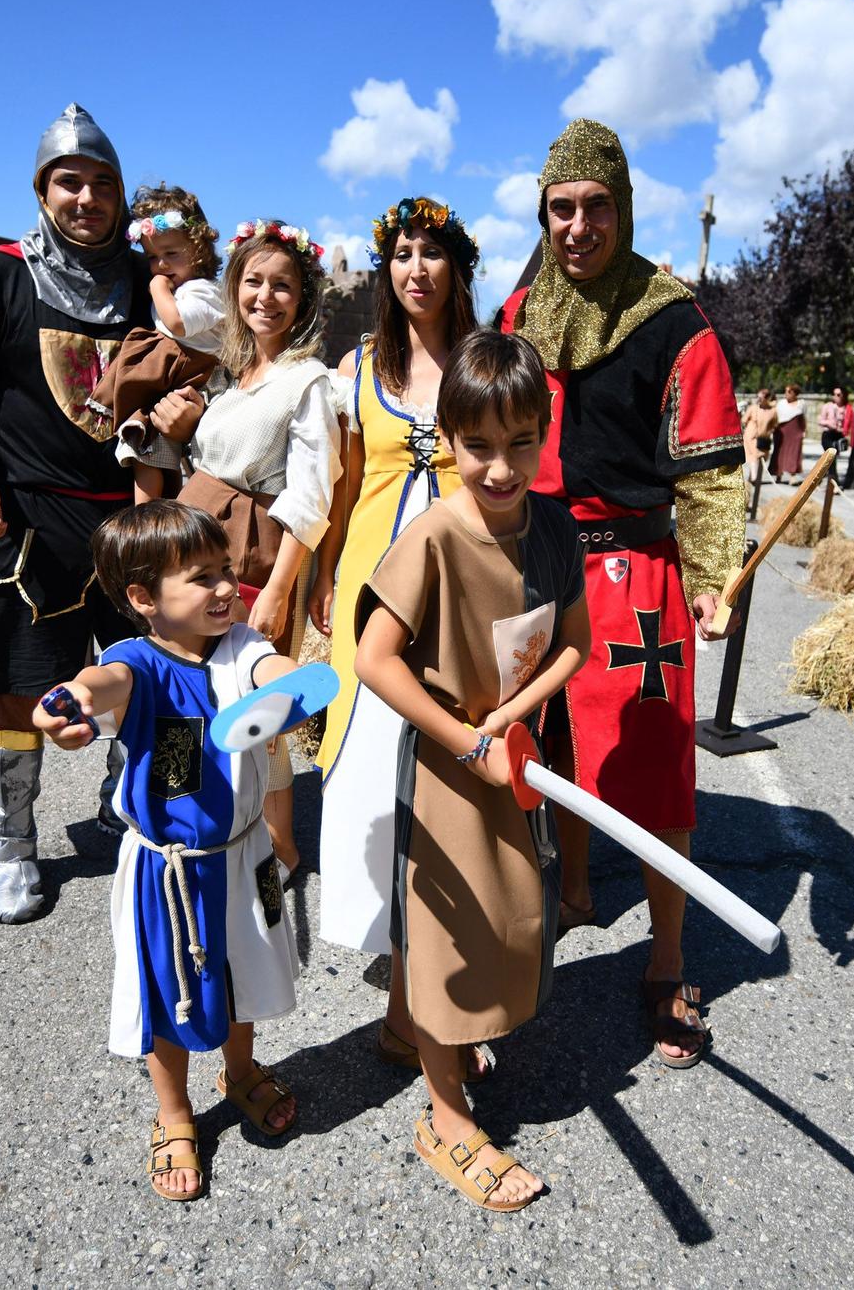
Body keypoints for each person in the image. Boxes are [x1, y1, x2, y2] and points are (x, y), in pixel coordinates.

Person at [499, 118, 746, 1069]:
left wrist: (715, 578)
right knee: (545, 743)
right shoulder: (522, 311)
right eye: (561, 208)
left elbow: (713, 470)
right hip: (536, 563)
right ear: (543, 214)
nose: (578, 226)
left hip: (633, 572)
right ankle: (572, 898)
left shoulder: (674, 321)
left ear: (624, 208)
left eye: (596, 206)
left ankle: (669, 958)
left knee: (651, 771)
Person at [353, 329, 588, 1211]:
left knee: (510, 913)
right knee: (449, 932)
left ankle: (413, 1030)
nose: (499, 466)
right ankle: (446, 1118)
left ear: (543, 433)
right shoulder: (435, 535)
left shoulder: (555, 527)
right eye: (478, 445)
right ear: (448, 437)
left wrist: (514, 719)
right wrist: (466, 738)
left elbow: (575, 645)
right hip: (455, 767)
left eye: (520, 442)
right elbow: (376, 659)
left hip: (514, 755)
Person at [36, 502, 302, 1201]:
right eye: (200, 577)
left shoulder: (241, 647)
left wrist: (291, 682)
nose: (224, 588)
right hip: (169, 873)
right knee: (166, 989)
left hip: (246, 857)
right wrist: (67, 702)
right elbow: (101, 686)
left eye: (225, 571)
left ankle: (241, 1070)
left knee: (248, 969)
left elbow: (274, 667)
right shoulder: (140, 663)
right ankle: (175, 1110)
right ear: (143, 599)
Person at [0, 104, 152, 924]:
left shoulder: (142, 282)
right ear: (41, 189)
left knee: (145, 674)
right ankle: (11, 842)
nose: (86, 197)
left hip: (127, 522)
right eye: (70, 181)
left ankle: (129, 800)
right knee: (20, 693)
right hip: (19, 518)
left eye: (101, 183)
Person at [309, 197, 492, 1081]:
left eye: (433, 253)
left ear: (458, 267)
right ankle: (407, 1000)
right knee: (375, 776)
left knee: (449, 788)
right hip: (371, 596)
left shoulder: (486, 366)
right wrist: (309, 575)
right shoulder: (352, 373)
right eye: (403, 253)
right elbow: (342, 491)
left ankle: (432, 996)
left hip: (461, 595)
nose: (416, 267)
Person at [125, 219, 339, 876]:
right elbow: (214, 462)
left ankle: (280, 844)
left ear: (302, 298)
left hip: (248, 559)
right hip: (197, 544)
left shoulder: (310, 381)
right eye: (253, 282)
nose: (266, 297)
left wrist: (279, 589)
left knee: (249, 699)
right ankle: (183, 818)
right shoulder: (238, 373)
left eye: (283, 285)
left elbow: (310, 494)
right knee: (185, 689)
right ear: (234, 287)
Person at [93, 183, 224, 503]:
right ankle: (145, 509)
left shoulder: (204, 291)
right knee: (144, 445)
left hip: (190, 374)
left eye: (171, 254)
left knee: (152, 443)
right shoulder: (184, 288)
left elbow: (178, 322)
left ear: (200, 250)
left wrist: (157, 288)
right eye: (152, 257)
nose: (161, 265)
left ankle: (147, 510)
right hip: (173, 375)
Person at [741, 389, 777, 493]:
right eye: (758, 397)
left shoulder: (773, 411)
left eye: (761, 398)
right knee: (754, 457)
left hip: (764, 438)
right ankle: (754, 477)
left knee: (762, 458)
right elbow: (744, 420)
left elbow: (774, 424)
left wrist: (770, 431)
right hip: (751, 436)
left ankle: (751, 481)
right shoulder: (753, 408)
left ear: (767, 398)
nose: (759, 400)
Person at [818, 384, 852, 486]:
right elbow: (820, 420)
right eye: (834, 394)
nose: (836, 396)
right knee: (831, 458)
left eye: (838, 394)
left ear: (843, 395)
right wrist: (829, 424)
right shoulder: (827, 406)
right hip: (828, 434)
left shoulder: (847, 409)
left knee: (829, 459)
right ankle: (834, 483)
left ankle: (821, 478)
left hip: (838, 435)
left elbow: (849, 425)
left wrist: (842, 429)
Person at [773, 383, 806, 482]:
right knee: (780, 452)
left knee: (794, 453)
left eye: (789, 391)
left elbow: (803, 419)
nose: (786, 393)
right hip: (782, 430)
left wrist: (803, 431)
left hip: (796, 431)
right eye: (786, 391)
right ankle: (778, 474)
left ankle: (792, 476)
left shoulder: (801, 403)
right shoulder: (781, 403)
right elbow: (775, 417)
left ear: (795, 393)